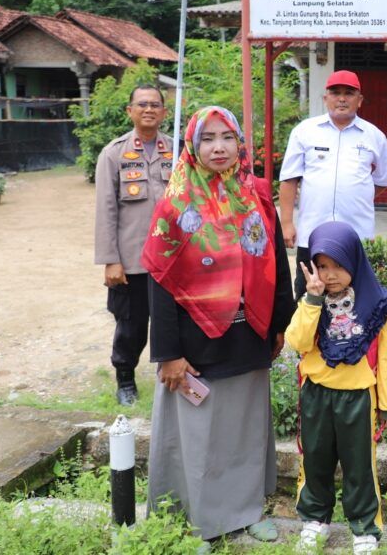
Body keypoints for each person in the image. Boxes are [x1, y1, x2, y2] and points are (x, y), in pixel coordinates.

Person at [141, 106, 295, 544]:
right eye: (207, 138)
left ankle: (246, 511)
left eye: (226, 137)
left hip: (250, 333)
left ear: (240, 143)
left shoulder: (257, 195)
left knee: (245, 429)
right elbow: (160, 280)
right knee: (200, 435)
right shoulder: (175, 204)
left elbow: (275, 265)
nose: (218, 147)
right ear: (192, 145)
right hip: (196, 342)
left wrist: (279, 322)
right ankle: (200, 522)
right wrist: (168, 353)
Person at [285, 220, 387, 555]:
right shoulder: (312, 302)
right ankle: (314, 520)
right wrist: (312, 300)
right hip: (316, 394)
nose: (330, 274)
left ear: (355, 262)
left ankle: (365, 528)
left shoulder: (376, 304)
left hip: (358, 398)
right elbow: (297, 341)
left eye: (339, 265)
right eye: (322, 266)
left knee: (360, 466)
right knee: (315, 461)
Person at [279, 70, 387, 299]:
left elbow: (384, 180)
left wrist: (356, 196)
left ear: (359, 100)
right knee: (308, 295)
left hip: (357, 233)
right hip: (311, 233)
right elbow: (289, 178)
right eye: (335, 93)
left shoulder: (374, 136)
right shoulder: (304, 131)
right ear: (325, 99)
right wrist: (286, 222)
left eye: (349, 93)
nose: (342, 98)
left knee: (357, 297)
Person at [94, 84, 174, 405]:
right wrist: (110, 260)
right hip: (132, 260)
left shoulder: (179, 152)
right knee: (131, 326)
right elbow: (105, 209)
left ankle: (170, 372)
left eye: (155, 104)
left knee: (172, 322)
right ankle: (125, 378)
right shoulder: (114, 154)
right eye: (142, 104)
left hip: (171, 261)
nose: (149, 109)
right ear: (130, 111)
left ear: (164, 112)